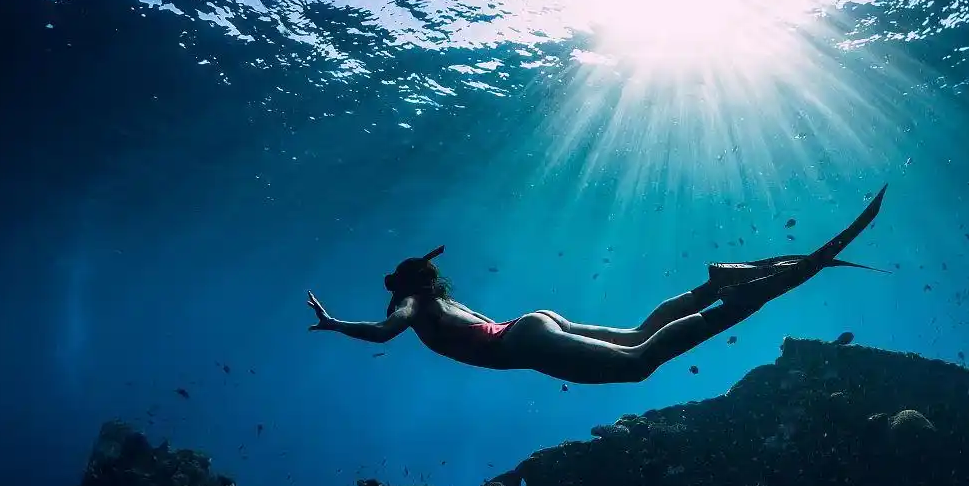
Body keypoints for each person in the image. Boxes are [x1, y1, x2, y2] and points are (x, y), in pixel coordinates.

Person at [308, 185, 887, 384]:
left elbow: (386, 332)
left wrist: (336, 324)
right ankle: (714, 286)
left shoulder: (410, 302)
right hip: (529, 324)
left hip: (523, 343)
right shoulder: (436, 295)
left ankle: (737, 299)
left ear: (404, 284)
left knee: (638, 362)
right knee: (640, 334)